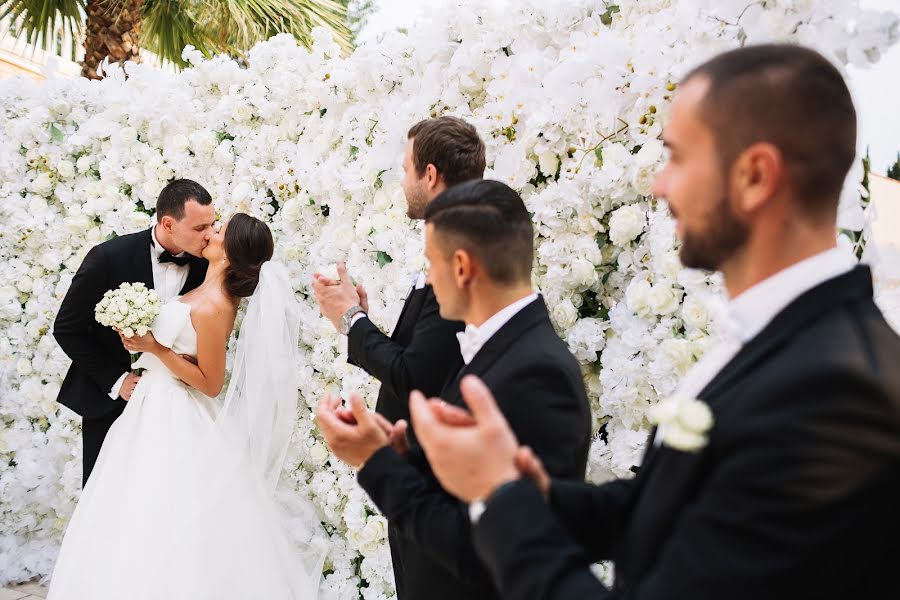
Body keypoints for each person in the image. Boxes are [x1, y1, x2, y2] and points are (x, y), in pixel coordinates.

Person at [409, 44, 900, 599]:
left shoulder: (833, 389)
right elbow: (678, 507)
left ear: (756, 176)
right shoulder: (783, 334)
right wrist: (534, 491)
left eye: (677, 157)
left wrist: (499, 497)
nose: (658, 184)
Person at [317, 180, 592, 599]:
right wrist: (404, 455)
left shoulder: (538, 373)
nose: (426, 280)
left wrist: (375, 463)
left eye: (431, 264)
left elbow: (495, 549)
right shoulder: (498, 347)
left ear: (461, 267)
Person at [48, 214, 324, 600]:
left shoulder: (215, 305)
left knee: (167, 511)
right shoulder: (203, 286)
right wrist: (140, 342)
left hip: (175, 411)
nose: (210, 234)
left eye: (219, 232)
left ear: (230, 253)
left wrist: (154, 347)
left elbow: (210, 383)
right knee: (133, 511)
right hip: (150, 404)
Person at [311, 116, 485, 431]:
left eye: (406, 170)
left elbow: (414, 378)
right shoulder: (455, 243)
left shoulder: (460, 259)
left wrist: (352, 319)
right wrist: (355, 319)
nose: (403, 182)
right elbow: (419, 358)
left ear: (429, 175)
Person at [54, 179, 213, 484]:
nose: (210, 235)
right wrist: (119, 381)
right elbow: (67, 328)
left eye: (212, 224)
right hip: (111, 405)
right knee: (106, 504)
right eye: (199, 227)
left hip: (177, 406)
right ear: (168, 223)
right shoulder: (108, 258)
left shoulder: (209, 267)